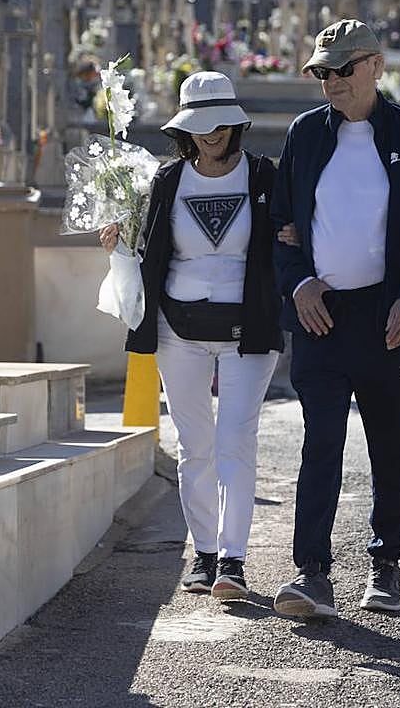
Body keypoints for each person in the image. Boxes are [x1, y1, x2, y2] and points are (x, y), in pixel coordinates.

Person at [270, 19, 400, 618]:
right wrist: (298, 281)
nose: (332, 83)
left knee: (391, 446)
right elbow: (282, 227)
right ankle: (311, 572)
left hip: (388, 314)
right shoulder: (303, 135)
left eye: (343, 70)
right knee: (321, 442)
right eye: (322, 72)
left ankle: (385, 565)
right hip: (322, 313)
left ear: (375, 65)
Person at [100, 71, 282, 600]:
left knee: (235, 442)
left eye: (221, 123)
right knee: (194, 444)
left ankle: (234, 560)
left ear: (235, 123)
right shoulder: (167, 182)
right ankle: (204, 553)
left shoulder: (266, 178)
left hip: (249, 326)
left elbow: (293, 237)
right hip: (178, 328)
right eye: (201, 125)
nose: (212, 134)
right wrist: (116, 245)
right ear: (184, 129)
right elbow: (147, 252)